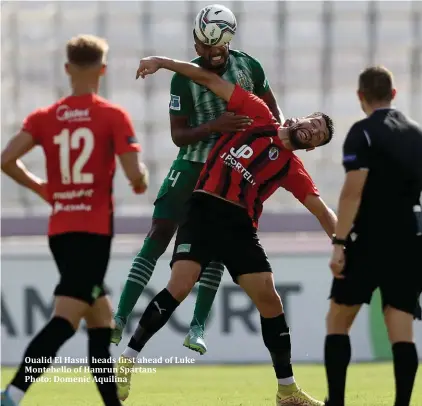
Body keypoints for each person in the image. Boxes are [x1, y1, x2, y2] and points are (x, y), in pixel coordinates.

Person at [114, 55, 337, 406]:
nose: (313, 130)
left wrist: (343, 246)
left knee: (270, 299)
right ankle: (126, 361)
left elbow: (321, 210)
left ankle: (287, 390)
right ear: (299, 119)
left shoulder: (292, 168)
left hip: (239, 226)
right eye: (314, 123)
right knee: (180, 285)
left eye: (319, 135)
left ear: (310, 146)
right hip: (204, 208)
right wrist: (162, 62)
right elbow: (209, 80)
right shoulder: (257, 112)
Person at [112, 5, 284, 356]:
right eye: (206, 48)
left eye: (219, 49)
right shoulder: (183, 77)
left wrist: (270, 138)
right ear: (196, 41)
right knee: (160, 232)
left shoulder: (249, 66)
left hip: (230, 172)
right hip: (192, 165)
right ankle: (119, 317)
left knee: (216, 246)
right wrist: (213, 127)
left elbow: (273, 111)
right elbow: (179, 135)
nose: (213, 55)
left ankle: (197, 326)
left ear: (229, 43)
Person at [0, 35, 148, 406]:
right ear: (104, 69)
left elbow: (6, 160)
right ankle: (13, 393)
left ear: (67, 69)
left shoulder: (45, 118)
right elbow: (135, 176)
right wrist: (141, 176)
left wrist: (42, 189)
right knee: (65, 317)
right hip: (94, 231)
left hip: (61, 230)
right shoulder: (112, 116)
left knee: (100, 321)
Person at [325, 66, 422, 406]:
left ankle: (336, 401)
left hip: (368, 238)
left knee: (338, 320)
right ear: (394, 94)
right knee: (401, 326)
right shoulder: (417, 133)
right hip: (410, 239)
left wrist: (339, 243)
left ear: (360, 96)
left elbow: (353, 192)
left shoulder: (362, 133)